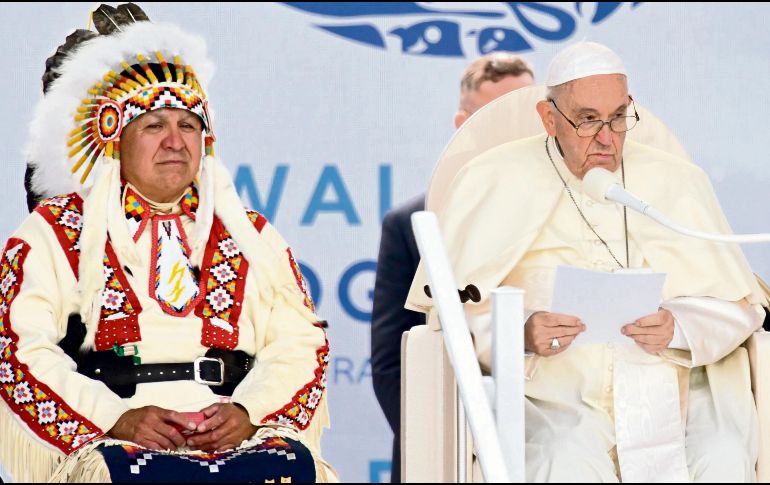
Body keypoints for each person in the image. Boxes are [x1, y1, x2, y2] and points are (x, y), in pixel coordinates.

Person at [0, 5, 334, 483]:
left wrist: (250, 412)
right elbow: (19, 348)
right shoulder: (53, 231)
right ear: (115, 139)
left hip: (239, 439)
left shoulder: (251, 233)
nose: (175, 142)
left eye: (188, 126)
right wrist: (113, 419)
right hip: (115, 440)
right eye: (154, 126)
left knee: (289, 467)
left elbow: (302, 341)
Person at [406, 41, 766, 482]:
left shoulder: (678, 181)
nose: (607, 137)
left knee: (723, 457)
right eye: (588, 120)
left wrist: (682, 327)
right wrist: (520, 332)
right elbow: (454, 315)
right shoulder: (494, 179)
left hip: (679, 390)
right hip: (556, 399)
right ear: (549, 118)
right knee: (565, 460)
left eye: (618, 117)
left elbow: (739, 305)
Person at [371, 52, 533, 483]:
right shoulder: (412, 225)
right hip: (448, 453)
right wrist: (442, 444)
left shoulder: (582, 212)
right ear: (464, 124)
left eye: (527, 114)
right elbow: (393, 366)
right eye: (496, 117)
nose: (515, 131)